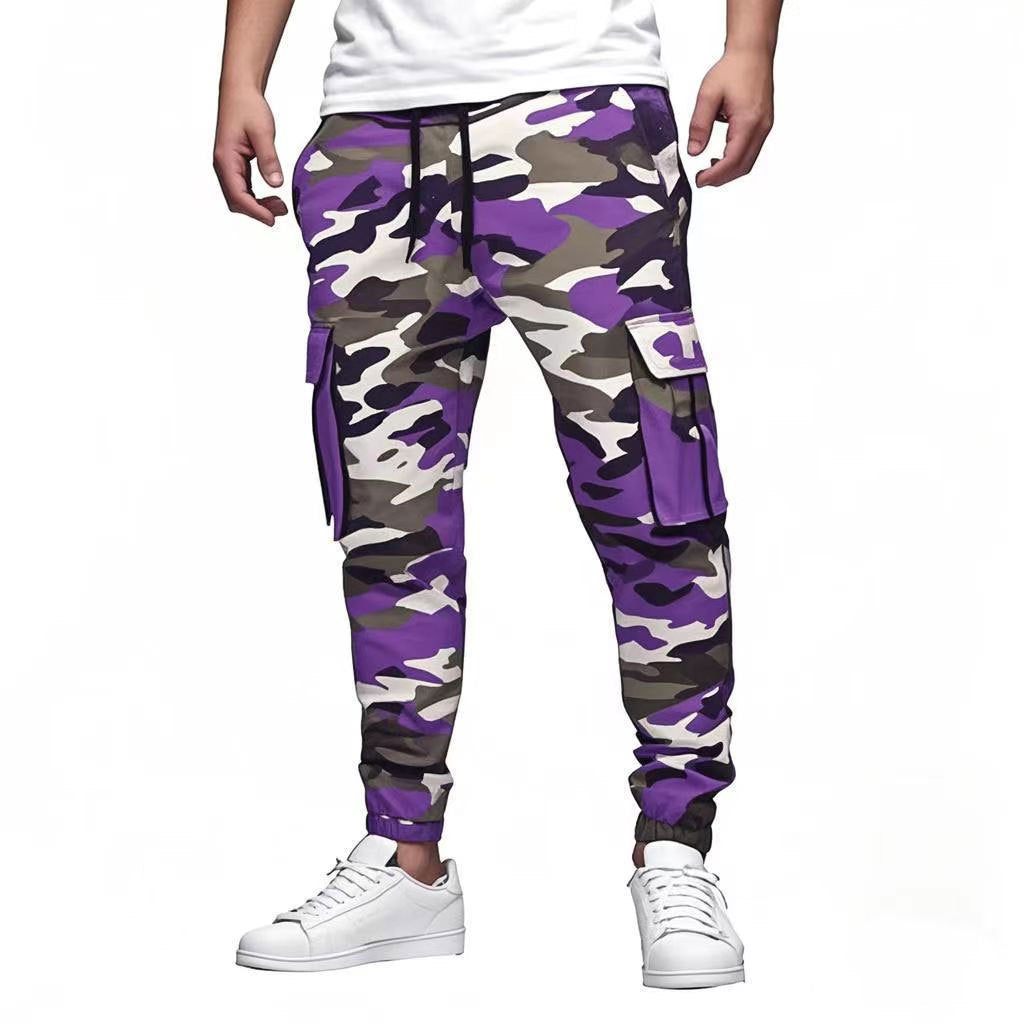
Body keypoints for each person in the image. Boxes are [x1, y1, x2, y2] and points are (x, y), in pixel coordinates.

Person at [216, 0, 781, 988]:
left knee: (653, 496)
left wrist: (749, 45)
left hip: (580, 107)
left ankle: (676, 846)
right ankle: (404, 856)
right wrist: (241, 74)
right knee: (388, 515)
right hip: (374, 128)